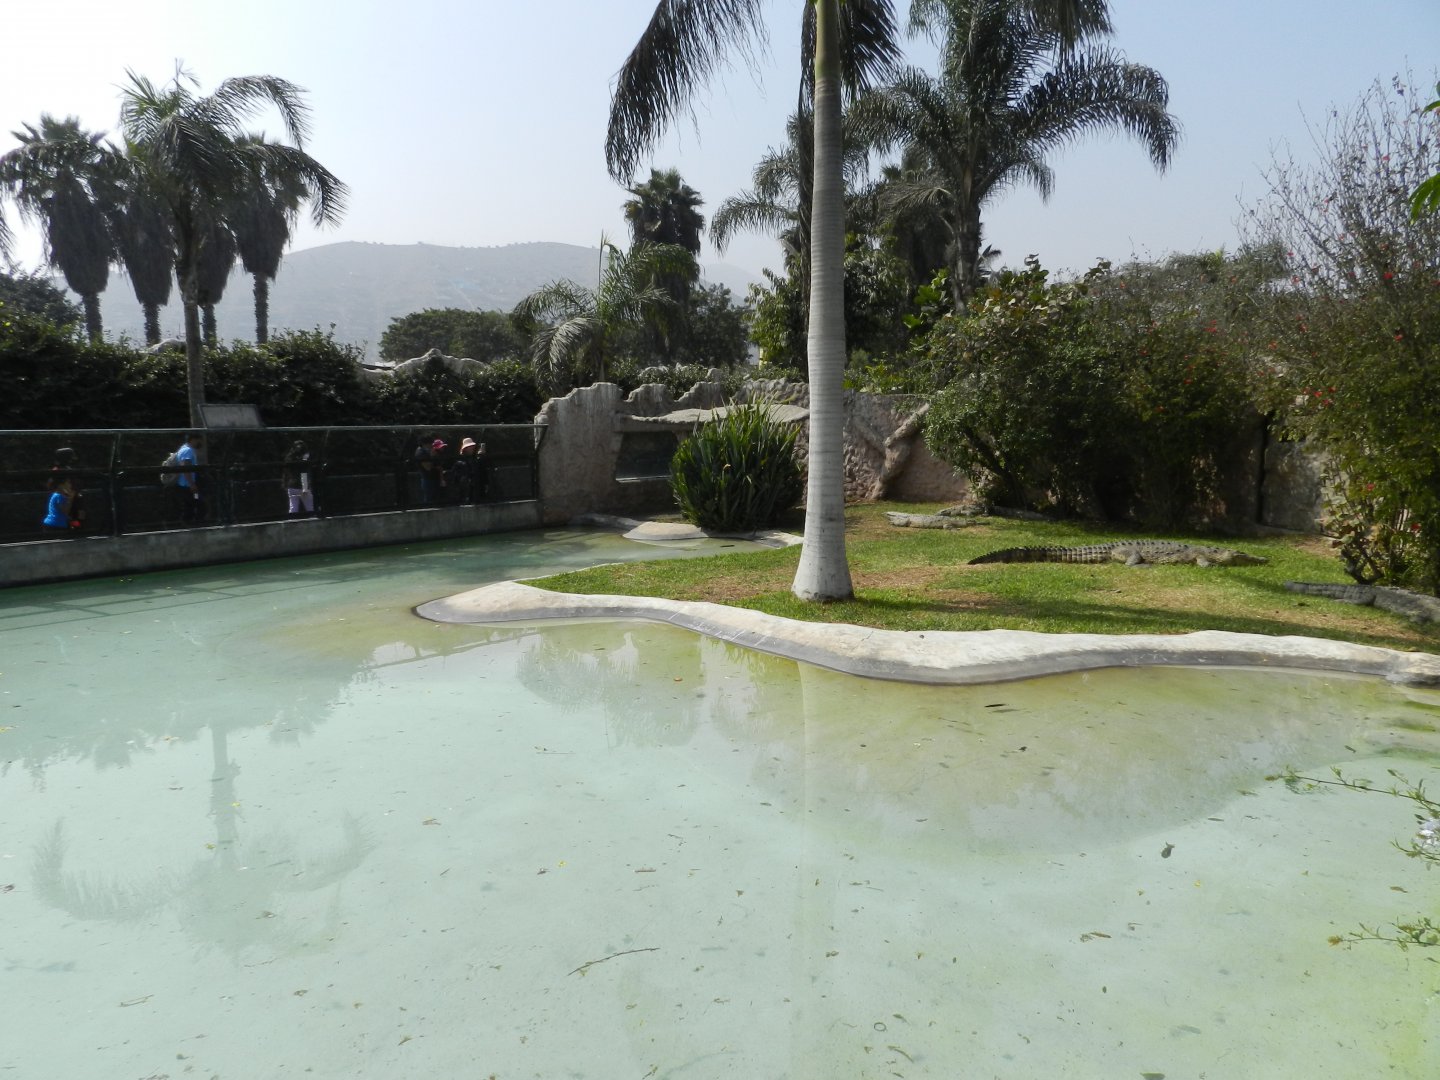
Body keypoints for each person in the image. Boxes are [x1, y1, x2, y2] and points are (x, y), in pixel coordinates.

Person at [173, 433, 205, 524]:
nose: (201, 443)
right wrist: (192, 484)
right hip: (188, 487)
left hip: (188, 487)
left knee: (191, 506)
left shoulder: (185, 449)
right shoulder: (188, 450)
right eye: (200, 440)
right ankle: (194, 526)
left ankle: (189, 526)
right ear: (193, 439)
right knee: (199, 505)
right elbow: (185, 468)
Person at [449, 437, 488, 504]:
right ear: (465, 449)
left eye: (472, 446)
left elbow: (482, 471)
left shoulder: (475, 459)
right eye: (469, 446)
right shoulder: (460, 461)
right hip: (465, 490)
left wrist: (481, 457)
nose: (472, 448)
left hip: (477, 488)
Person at [282, 440, 315, 517]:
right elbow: (304, 472)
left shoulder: (289, 458)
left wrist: (285, 484)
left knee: (293, 508)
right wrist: (305, 487)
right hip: (302, 484)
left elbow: (286, 472)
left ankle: (291, 524)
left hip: (292, 485)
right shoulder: (304, 459)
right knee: (309, 508)